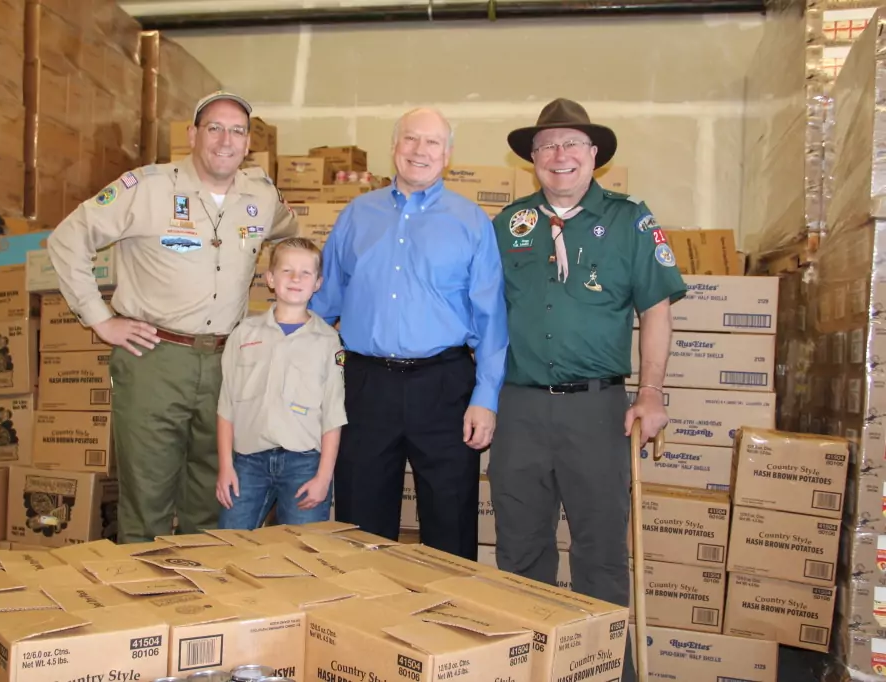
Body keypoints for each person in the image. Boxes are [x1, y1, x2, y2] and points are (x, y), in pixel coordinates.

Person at [489, 98, 686, 682]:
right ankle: (533, 670)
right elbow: (484, 314)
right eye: (547, 145)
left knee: (600, 553)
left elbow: (655, 310)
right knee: (521, 553)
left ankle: (605, 674)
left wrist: (651, 392)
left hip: (598, 411)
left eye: (572, 144)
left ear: (594, 155)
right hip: (518, 408)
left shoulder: (630, 221)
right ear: (532, 158)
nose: (560, 155)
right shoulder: (508, 225)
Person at [47, 90, 298, 543]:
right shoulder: (145, 188)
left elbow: (291, 234)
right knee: (147, 499)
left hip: (227, 364)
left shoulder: (260, 197)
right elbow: (67, 240)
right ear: (193, 135)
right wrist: (98, 318)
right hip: (154, 360)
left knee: (213, 496)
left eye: (237, 131)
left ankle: (196, 605)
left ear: (247, 143)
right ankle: (140, 604)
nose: (226, 140)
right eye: (215, 128)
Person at [309, 107, 508, 561]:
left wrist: (486, 396)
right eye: (411, 140)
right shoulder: (357, 215)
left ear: (448, 154)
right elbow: (324, 308)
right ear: (395, 148)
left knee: (450, 521)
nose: (420, 151)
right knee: (359, 522)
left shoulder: (471, 222)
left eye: (432, 142)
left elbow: (491, 318)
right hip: (364, 384)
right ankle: (364, 621)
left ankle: (450, 624)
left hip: (444, 386)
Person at [214, 237, 346, 528]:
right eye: (287, 271)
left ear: (318, 283)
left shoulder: (328, 341)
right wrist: (226, 467)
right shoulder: (244, 334)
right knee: (228, 543)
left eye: (305, 273)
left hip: (305, 464)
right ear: (270, 279)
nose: (296, 278)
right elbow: (226, 406)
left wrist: (323, 478)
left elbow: (333, 415)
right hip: (248, 462)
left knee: (304, 552)